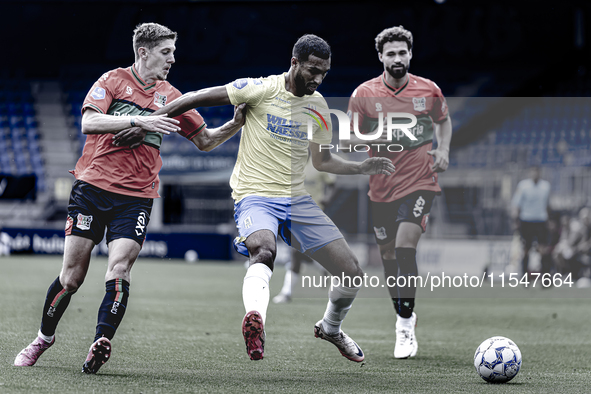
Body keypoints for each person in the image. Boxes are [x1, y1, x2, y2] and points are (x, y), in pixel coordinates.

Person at [14, 23, 246, 374]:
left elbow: (206, 141)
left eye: (173, 52)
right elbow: (89, 123)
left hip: (136, 197)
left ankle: (101, 340)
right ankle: (43, 339)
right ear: (144, 52)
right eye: (165, 52)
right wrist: (145, 122)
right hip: (92, 188)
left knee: (119, 267)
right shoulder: (112, 81)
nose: (172, 59)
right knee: (71, 278)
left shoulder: (173, 98)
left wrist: (236, 123)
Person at [149, 34, 395, 362]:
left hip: (297, 199)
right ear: (294, 63)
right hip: (255, 195)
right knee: (264, 250)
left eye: (324, 72)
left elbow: (322, 162)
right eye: (312, 70)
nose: (318, 78)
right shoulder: (259, 89)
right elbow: (195, 97)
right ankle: (256, 321)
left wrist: (361, 166)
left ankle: (331, 328)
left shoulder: (318, 107)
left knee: (352, 274)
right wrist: (152, 120)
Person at [346, 25, 452, 359]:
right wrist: (369, 141)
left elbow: (443, 121)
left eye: (402, 52)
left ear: (410, 54)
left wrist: (444, 150)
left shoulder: (428, 89)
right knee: (389, 257)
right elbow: (349, 135)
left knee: (405, 248)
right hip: (381, 189)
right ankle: (403, 315)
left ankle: (405, 327)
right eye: (390, 53)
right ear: (381, 57)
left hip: (421, 181)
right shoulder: (364, 93)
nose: (397, 58)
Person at [272, 158, 335, 304]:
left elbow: (332, 184)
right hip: (294, 213)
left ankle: (286, 293)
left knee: (296, 252)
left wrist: (328, 198)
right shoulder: (290, 166)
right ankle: (323, 267)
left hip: (314, 213)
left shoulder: (318, 165)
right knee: (301, 252)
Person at [511, 166, 551, 278]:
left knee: (543, 250)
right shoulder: (523, 186)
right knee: (526, 249)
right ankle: (525, 276)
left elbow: (548, 205)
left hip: (541, 220)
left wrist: (549, 220)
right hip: (526, 220)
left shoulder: (546, 186)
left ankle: (545, 277)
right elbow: (516, 204)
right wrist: (515, 220)